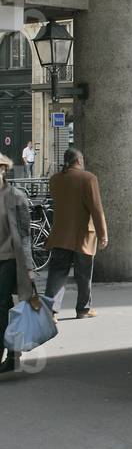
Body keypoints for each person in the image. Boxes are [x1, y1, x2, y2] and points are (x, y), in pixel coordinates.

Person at [45, 148, 108, 319]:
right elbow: (96, 209)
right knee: (84, 274)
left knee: (57, 273)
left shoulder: (55, 180)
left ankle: (50, 312)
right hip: (84, 235)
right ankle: (83, 309)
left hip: (60, 234)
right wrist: (103, 234)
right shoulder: (88, 178)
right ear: (79, 161)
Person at [0, 153, 37, 374]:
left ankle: (8, 352)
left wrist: (30, 268)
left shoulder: (16, 197)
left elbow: (25, 236)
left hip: (8, 260)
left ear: (4, 169)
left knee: (3, 305)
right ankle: (13, 353)